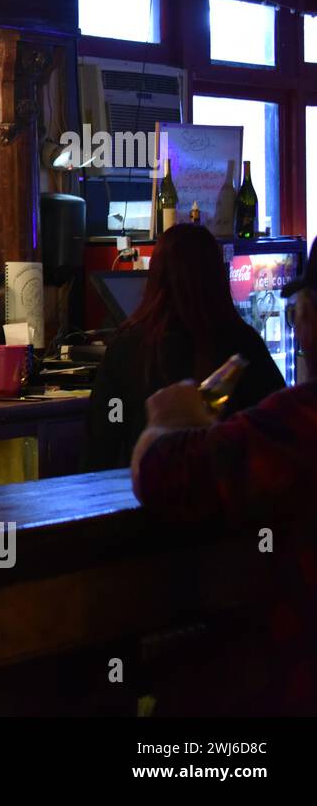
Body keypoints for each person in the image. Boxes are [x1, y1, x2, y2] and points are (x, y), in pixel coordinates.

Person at [132, 238, 317, 713]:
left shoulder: (300, 423)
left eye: (299, 308)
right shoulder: (251, 350)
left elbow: (161, 474)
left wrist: (169, 420)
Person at [83, 224, 283, 470]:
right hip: (227, 495)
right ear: (217, 274)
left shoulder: (127, 346)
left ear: (156, 275)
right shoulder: (244, 343)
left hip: (147, 492)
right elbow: (275, 425)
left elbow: (106, 434)